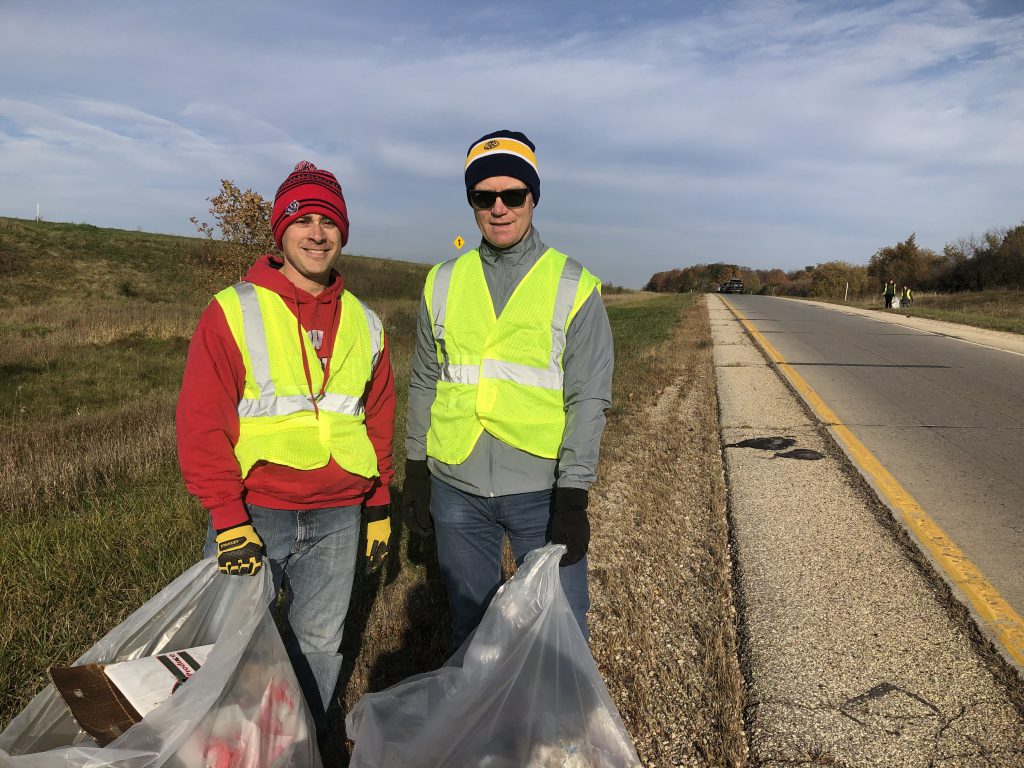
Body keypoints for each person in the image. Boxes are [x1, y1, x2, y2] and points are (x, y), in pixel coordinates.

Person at [175, 161, 395, 738]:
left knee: (319, 644)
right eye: (303, 220)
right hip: (255, 511)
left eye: (329, 222)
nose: (317, 233)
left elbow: (376, 419)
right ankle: (215, 747)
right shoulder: (233, 310)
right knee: (222, 647)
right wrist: (227, 518)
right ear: (281, 230)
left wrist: (378, 501)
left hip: (339, 516)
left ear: (343, 233)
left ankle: (297, 746)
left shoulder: (366, 324)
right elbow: (203, 423)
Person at [402, 130, 613, 651]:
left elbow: (589, 398)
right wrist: (414, 469)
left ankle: (558, 732)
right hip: (457, 487)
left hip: (540, 490)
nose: (499, 208)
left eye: (512, 195)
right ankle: (481, 730)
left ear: (532, 197)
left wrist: (573, 494)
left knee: (559, 629)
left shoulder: (573, 284)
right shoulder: (443, 281)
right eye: (484, 196)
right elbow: (425, 379)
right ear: (472, 202)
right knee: (471, 634)